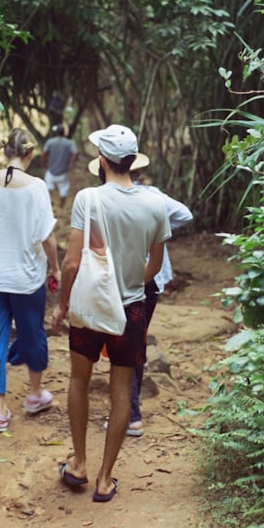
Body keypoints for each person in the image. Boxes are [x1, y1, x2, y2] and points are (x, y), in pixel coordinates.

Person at [50, 124, 171, 503]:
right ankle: (104, 479)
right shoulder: (155, 204)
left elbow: (70, 264)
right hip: (130, 311)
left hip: (90, 309)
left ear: (101, 161)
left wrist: (62, 305)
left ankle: (79, 464)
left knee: (78, 380)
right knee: (121, 392)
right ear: (133, 161)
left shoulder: (88, 199)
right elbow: (157, 262)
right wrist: (131, 283)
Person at [88, 155, 193, 438]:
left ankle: (131, 415)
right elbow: (184, 213)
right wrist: (158, 227)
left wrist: (160, 228)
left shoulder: (106, 198)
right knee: (131, 343)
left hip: (124, 281)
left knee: (125, 345)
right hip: (146, 279)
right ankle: (129, 412)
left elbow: (184, 215)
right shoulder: (152, 197)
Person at [0, 127, 61, 433]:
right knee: (32, 334)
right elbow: (47, 237)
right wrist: (55, 269)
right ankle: (34, 394)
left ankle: (0, 411)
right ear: (30, 153)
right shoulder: (35, 187)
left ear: (5, 149)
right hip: (25, 278)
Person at [41, 124, 78, 209]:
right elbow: (75, 153)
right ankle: (61, 207)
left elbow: (44, 153)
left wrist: (44, 163)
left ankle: (50, 202)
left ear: (56, 132)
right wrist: (71, 164)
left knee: (49, 187)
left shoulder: (50, 142)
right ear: (64, 133)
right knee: (63, 189)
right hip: (63, 172)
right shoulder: (69, 143)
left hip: (51, 170)